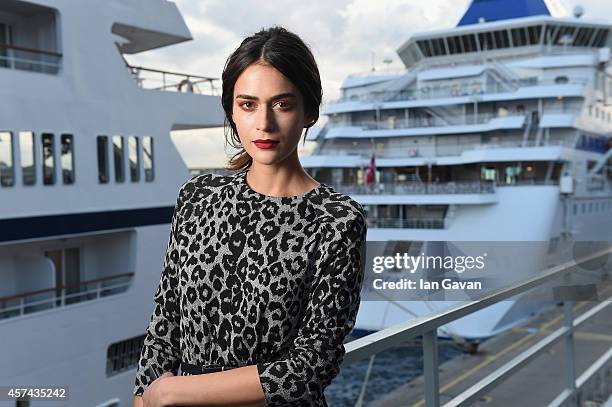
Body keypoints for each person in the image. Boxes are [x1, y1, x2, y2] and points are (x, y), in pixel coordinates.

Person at [132, 26, 368, 407]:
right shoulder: (198, 196)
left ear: (309, 111)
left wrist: (174, 391)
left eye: (282, 104)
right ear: (231, 111)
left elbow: (309, 370)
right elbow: (165, 322)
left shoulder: (337, 220)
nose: (264, 124)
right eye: (248, 104)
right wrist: (144, 398)